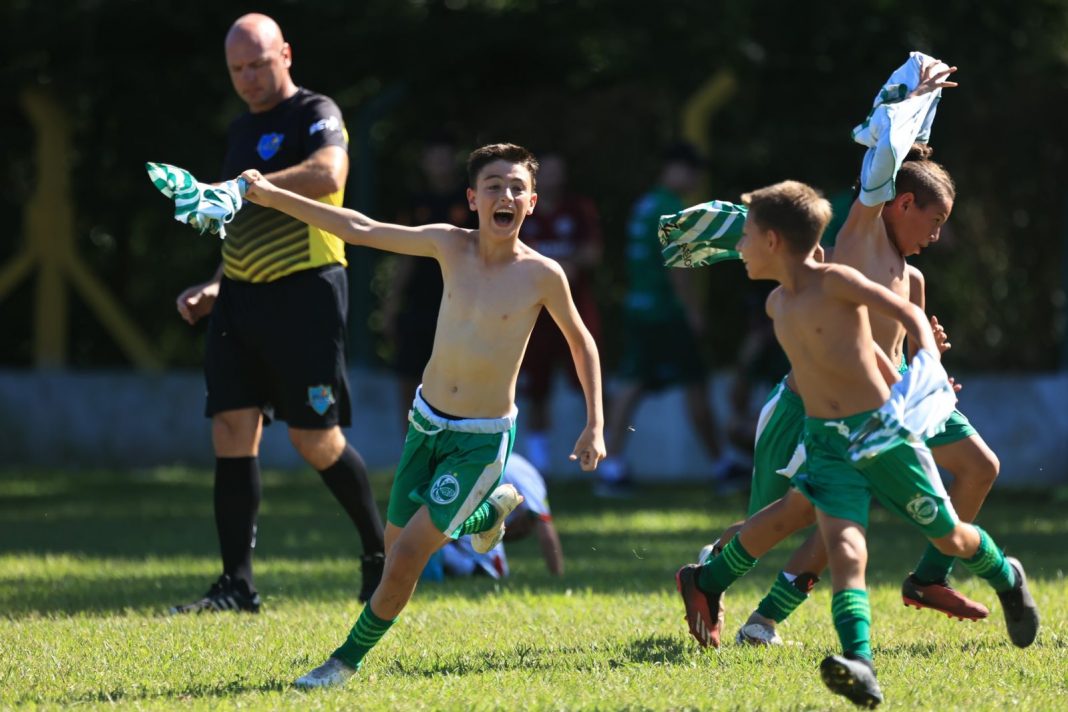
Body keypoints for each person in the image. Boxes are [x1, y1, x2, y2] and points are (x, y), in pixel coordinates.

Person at [236, 142, 604, 688]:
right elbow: (359, 227)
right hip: (426, 424)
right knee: (397, 552)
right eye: (493, 186)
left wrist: (595, 424)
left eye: (516, 188)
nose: (505, 195)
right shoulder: (448, 244)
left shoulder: (543, 274)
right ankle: (489, 514)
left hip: (481, 439)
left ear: (532, 202)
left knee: (408, 554)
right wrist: (272, 195)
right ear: (472, 198)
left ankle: (343, 662)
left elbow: (581, 342)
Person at [665, 54, 1002, 646]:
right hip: (809, 410)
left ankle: (924, 580)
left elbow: (902, 351)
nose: (938, 235)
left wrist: (930, 374)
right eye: (935, 220)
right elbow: (882, 161)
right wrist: (910, 96)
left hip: (883, 408)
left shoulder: (912, 277)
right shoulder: (859, 238)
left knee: (977, 468)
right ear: (903, 204)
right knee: (783, 521)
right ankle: (714, 580)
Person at [675, 179, 1038, 708]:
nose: (739, 247)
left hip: (883, 437)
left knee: (951, 536)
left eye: (746, 236)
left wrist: (926, 370)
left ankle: (1007, 578)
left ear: (774, 241)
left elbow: (908, 318)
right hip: (828, 444)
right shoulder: (777, 304)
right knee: (845, 551)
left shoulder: (839, 279)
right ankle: (860, 665)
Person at [170, 14, 385, 614]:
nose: (248, 78)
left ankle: (379, 553)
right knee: (231, 428)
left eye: (259, 64)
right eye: (237, 68)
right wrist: (215, 285)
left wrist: (249, 187)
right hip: (241, 297)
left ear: (285, 55)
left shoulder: (315, 112)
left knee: (314, 440)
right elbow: (240, 225)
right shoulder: (241, 130)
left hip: (306, 292)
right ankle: (235, 585)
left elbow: (330, 172)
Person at [598, 143, 721, 496]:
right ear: (676, 168)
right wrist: (693, 310)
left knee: (632, 383)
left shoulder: (645, 204)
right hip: (666, 312)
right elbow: (678, 267)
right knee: (694, 381)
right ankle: (721, 463)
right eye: (693, 171)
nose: (696, 180)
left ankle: (611, 464)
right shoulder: (672, 209)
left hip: (640, 308)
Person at [517, 153, 603, 474]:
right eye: (546, 172)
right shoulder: (520, 212)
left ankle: (601, 455)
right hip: (535, 315)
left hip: (575, 310)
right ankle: (539, 465)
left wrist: (566, 266)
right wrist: (548, 270)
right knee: (535, 390)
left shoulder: (579, 209)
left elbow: (593, 254)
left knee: (590, 382)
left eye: (557, 171)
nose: (552, 177)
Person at [382, 134, 473, 431]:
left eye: (445, 156)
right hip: (418, 304)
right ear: (424, 162)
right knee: (409, 376)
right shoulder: (414, 202)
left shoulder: (471, 201)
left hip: (460, 304)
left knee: (457, 378)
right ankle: (408, 443)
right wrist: (391, 306)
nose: (439, 163)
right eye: (434, 157)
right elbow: (405, 257)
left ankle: (454, 443)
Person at [423, 453, 564, 579]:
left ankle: (431, 550)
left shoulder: (524, 475)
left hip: (456, 481)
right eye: (519, 532)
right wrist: (557, 574)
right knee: (494, 572)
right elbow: (546, 532)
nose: (514, 533)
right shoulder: (533, 493)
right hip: (469, 497)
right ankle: (431, 551)